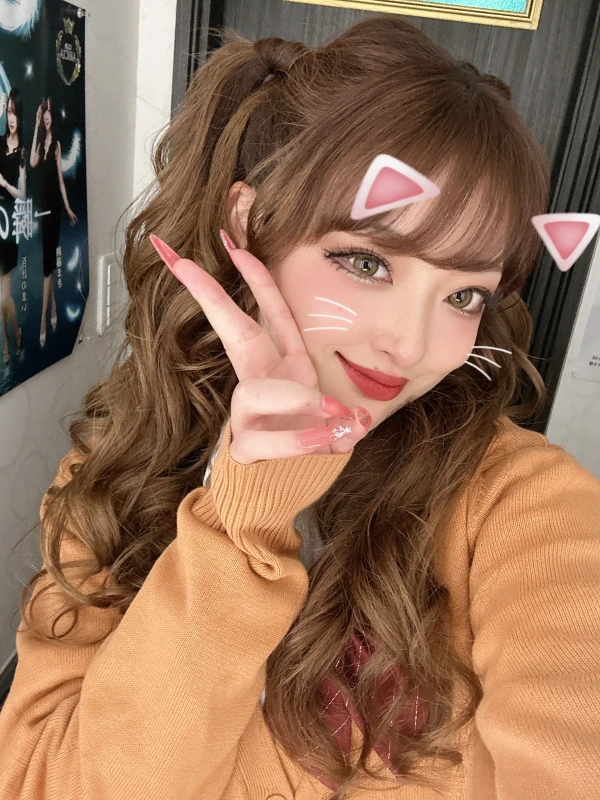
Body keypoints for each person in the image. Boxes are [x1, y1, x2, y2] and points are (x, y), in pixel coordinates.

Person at [1, 16, 599, 800]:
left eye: (464, 295)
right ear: (249, 222)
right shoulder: (118, 471)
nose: (411, 345)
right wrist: (242, 524)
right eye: (367, 262)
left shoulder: (519, 503)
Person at [29, 95, 77, 348]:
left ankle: (43, 320)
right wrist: (36, 126)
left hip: (55, 210)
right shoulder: (40, 143)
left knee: (47, 268)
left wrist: (67, 208)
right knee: (48, 264)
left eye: (48, 112)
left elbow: (60, 181)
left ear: (53, 116)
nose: (46, 115)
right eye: (43, 112)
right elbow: (32, 163)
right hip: (42, 210)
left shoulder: (56, 144)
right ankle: (55, 308)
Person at [0, 88, 26, 363]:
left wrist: (5, 184)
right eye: (8, 111)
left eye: (15, 113)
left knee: (2, 296)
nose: (11, 118)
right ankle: (11, 339)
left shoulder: (22, 152)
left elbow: (23, 193)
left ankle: (14, 336)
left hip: (8, 223)